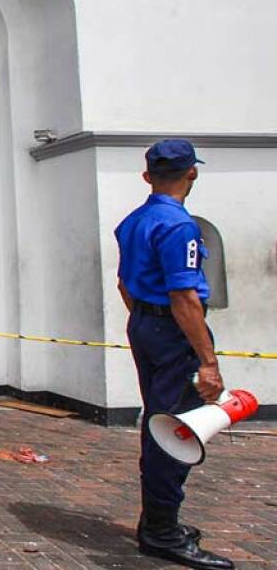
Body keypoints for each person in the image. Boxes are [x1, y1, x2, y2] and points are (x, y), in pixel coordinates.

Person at [115, 139, 232, 569]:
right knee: (174, 429)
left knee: (161, 420)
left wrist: (146, 321)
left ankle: (159, 522)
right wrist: (207, 361)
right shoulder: (179, 226)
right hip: (172, 327)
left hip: (146, 323)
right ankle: (161, 532)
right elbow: (183, 295)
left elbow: (124, 283)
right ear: (192, 173)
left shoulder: (134, 221)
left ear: (147, 176)